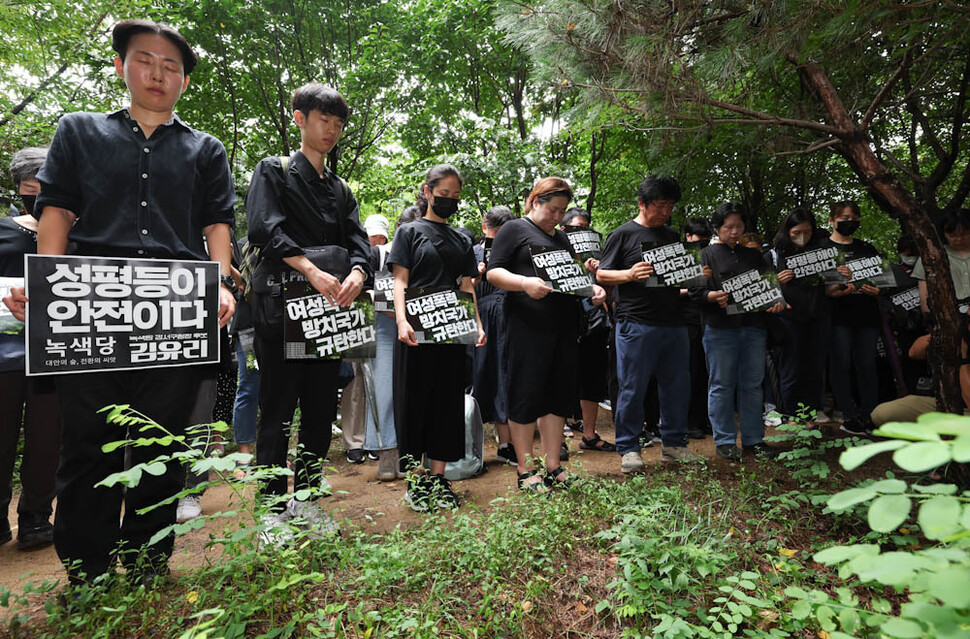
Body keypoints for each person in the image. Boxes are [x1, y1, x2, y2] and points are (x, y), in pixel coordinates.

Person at [3, 20, 236, 584]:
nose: (158, 74)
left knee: (165, 439)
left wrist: (221, 281)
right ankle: (88, 570)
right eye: (145, 61)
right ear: (120, 66)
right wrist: (45, 282)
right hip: (91, 304)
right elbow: (56, 211)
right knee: (88, 442)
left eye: (171, 67)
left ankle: (150, 562)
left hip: (175, 309)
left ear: (184, 80)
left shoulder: (205, 149)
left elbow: (217, 224)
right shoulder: (79, 132)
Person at [246, 83, 370, 533]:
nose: (331, 131)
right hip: (281, 309)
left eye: (338, 125)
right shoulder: (274, 171)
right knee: (278, 407)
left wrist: (358, 272)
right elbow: (263, 228)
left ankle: (308, 499)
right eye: (324, 121)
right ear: (300, 119)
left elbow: (358, 240)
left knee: (320, 408)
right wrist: (311, 271)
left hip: (330, 313)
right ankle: (272, 509)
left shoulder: (340, 189)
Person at [487, 178, 607, 491]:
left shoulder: (563, 240)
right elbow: (493, 271)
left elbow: (574, 278)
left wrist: (591, 288)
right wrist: (524, 283)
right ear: (535, 200)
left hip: (563, 328)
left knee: (557, 395)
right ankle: (526, 468)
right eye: (553, 209)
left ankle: (553, 464)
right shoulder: (514, 229)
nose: (557, 217)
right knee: (527, 394)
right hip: (527, 327)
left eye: (561, 211)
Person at [389, 164, 485, 510]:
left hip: (452, 331)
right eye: (444, 195)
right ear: (427, 192)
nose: (450, 201)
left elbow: (466, 284)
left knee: (447, 403)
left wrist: (477, 323)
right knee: (414, 402)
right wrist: (401, 321)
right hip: (416, 331)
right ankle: (416, 482)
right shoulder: (409, 232)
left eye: (455, 196)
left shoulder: (462, 238)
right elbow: (399, 281)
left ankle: (439, 480)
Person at [596, 175, 702, 473]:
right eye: (660, 205)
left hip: (673, 322)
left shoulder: (670, 235)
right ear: (642, 203)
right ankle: (629, 447)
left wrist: (696, 273)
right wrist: (629, 274)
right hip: (635, 322)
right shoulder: (623, 234)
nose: (666, 212)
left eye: (670, 206)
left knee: (677, 386)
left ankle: (674, 445)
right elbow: (603, 275)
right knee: (632, 387)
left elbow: (677, 278)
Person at [0, 147, 60, 550]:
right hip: (3, 354)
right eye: (29, 187)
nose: (36, 194)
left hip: (54, 353)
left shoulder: (71, 235)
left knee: (48, 437)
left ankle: (36, 515)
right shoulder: (4, 230)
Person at [691, 203, 785, 461]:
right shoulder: (705, 255)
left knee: (753, 384)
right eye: (728, 227)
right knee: (721, 384)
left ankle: (754, 440)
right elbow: (693, 291)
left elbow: (771, 288)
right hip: (719, 328)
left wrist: (776, 301)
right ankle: (724, 440)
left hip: (753, 327)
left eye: (739, 227)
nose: (734, 232)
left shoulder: (755, 256)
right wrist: (711, 296)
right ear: (716, 228)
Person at [821, 201, 883, 435]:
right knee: (840, 364)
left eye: (854, 217)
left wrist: (877, 290)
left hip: (867, 316)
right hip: (836, 317)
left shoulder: (868, 248)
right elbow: (816, 286)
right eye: (843, 217)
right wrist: (832, 291)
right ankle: (847, 414)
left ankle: (870, 415)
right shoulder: (821, 249)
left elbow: (882, 280)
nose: (849, 221)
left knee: (867, 365)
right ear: (832, 220)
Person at [770, 208, 834, 422]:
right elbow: (762, 286)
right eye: (796, 232)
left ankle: (813, 408)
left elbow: (832, 281)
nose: (802, 237)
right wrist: (778, 280)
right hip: (789, 319)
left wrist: (842, 276)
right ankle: (790, 412)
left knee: (815, 366)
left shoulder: (823, 250)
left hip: (818, 316)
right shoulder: (776, 253)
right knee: (791, 367)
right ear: (787, 230)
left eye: (807, 231)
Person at [560, 207, 615, 453]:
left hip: (594, 324)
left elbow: (611, 294)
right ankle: (558, 438)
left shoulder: (599, 257)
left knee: (592, 379)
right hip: (564, 324)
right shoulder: (553, 251)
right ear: (564, 229)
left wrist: (599, 274)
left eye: (585, 228)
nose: (581, 232)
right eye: (575, 228)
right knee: (560, 378)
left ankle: (590, 435)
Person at [340, 214, 391, 464]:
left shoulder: (387, 256)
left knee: (379, 384)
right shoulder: (351, 256)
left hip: (384, 326)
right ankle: (354, 441)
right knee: (356, 383)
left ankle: (376, 438)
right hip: (358, 322)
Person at [472, 205, 516, 465]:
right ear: (484, 227)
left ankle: (509, 443)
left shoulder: (516, 251)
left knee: (511, 377)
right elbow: (463, 289)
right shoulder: (473, 252)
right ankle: (499, 443)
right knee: (488, 377)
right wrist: (476, 275)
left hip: (512, 316)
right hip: (483, 320)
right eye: (494, 231)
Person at [681, 217, 714, 439]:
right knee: (690, 372)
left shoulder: (711, 256)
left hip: (709, 320)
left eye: (706, 239)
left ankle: (703, 419)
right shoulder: (679, 258)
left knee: (706, 372)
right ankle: (689, 421)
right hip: (687, 321)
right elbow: (668, 288)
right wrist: (693, 284)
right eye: (697, 239)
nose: (701, 243)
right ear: (688, 237)